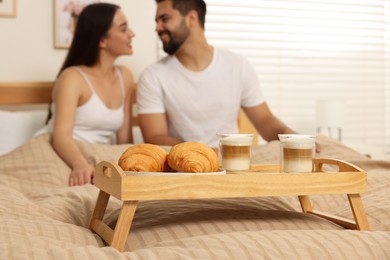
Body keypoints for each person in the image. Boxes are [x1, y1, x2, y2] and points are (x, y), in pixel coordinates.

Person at [137, 0, 296, 149]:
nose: (157, 28)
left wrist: (290, 136)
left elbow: (264, 121)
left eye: (164, 19)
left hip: (231, 164)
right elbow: (154, 137)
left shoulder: (237, 65)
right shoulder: (153, 76)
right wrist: (204, 153)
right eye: (157, 21)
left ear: (191, 18)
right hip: (183, 167)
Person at [36, 3, 136, 186]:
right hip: (63, 154)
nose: (132, 33)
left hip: (97, 156)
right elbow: (61, 136)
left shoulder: (126, 76)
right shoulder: (72, 78)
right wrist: (80, 165)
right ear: (102, 40)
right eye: (123, 29)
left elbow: (124, 141)